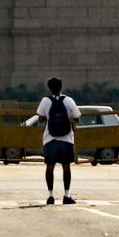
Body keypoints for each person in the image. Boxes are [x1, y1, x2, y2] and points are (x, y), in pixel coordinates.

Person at [25, 77, 81, 205]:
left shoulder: (45, 101)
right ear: (61, 87)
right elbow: (77, 118)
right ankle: (66, 195)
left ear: (49, 88)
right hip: (67, 139)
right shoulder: (68, 100)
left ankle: (50, 196)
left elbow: (40, 119)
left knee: (50, 167)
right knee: (66, 166)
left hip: (50, 139)